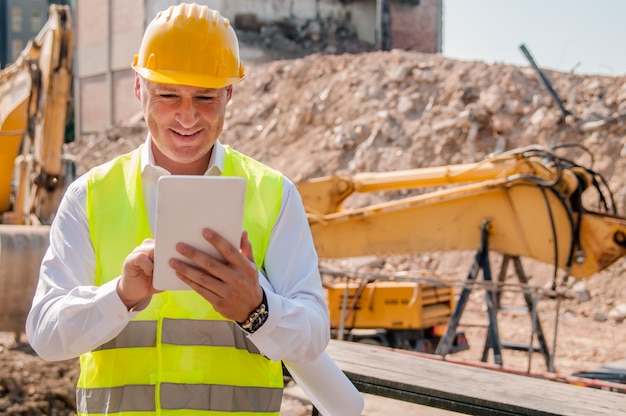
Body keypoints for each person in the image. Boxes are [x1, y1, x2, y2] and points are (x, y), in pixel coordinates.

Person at [25, 3, 330, 415]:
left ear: (229, 94)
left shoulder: (273, 194)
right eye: (168, 95)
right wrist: (120, 296)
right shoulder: (90, 196)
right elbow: (44, 335)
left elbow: (314, 336)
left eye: (205, 97)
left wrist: (257, 309)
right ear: (139, 88)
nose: (187, 117)